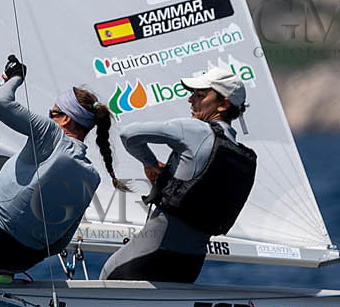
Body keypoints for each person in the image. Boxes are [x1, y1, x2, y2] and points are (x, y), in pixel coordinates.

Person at [0, 54, 127, 282]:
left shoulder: (51, 134)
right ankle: (1, 273)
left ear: (66, 120)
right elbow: (60, 241)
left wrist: (16, 77)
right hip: (23, 262)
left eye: (53, 113)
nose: (49, 117)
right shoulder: (92, 177)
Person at [100, 66, 256, 284]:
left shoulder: (195, 130)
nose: (191, 100)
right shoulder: (243, 156)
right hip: (189, 266)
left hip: (146, 258)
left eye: (200, 95)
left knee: (105, 285)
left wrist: (150, 163)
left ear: (223, 104)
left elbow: (129, 135)